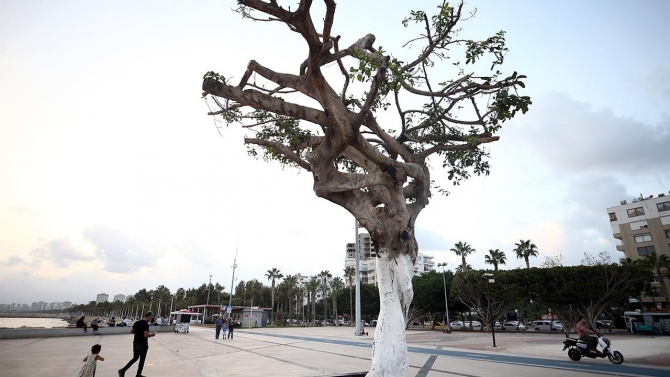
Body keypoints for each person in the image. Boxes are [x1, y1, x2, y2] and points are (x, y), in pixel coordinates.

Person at [118, 311, 156, 377]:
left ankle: (122, 370)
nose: (151, 319)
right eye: (151, 317)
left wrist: (138, 334)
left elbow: (131, 331)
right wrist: (152, 334)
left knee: (135, 358)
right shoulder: (145, 324)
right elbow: (146, 335)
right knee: (142, 360)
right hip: (143, 344)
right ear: (149, 316)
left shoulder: (137, 322)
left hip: (135, 343)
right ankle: (138, 374)